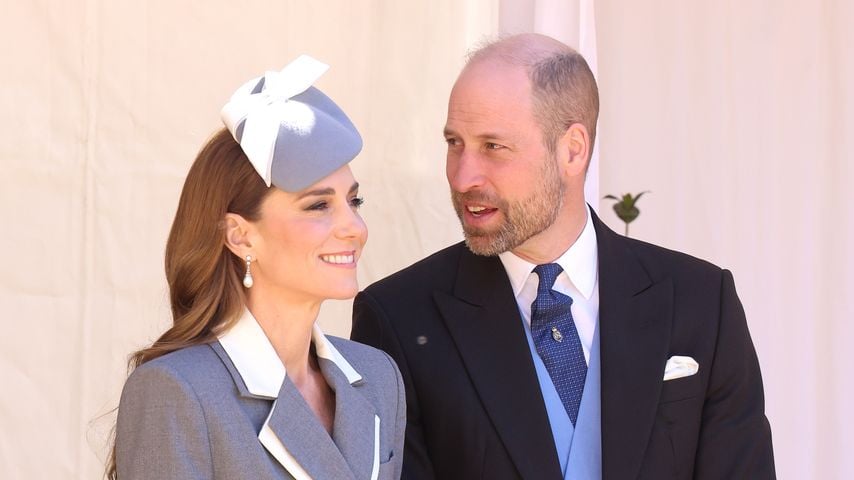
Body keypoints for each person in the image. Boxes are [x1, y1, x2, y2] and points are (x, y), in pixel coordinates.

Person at [351, 34, 775, 479]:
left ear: (572, 149)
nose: (462, 176)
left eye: (493, 146)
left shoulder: (703, 303)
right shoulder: (397, 319)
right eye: (455, 143)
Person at [108, 55, 405, 480]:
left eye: (353, 201)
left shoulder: (378, 377)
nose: (355, 228)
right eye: (319, 205)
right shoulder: (177, 391)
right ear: (240, 235)